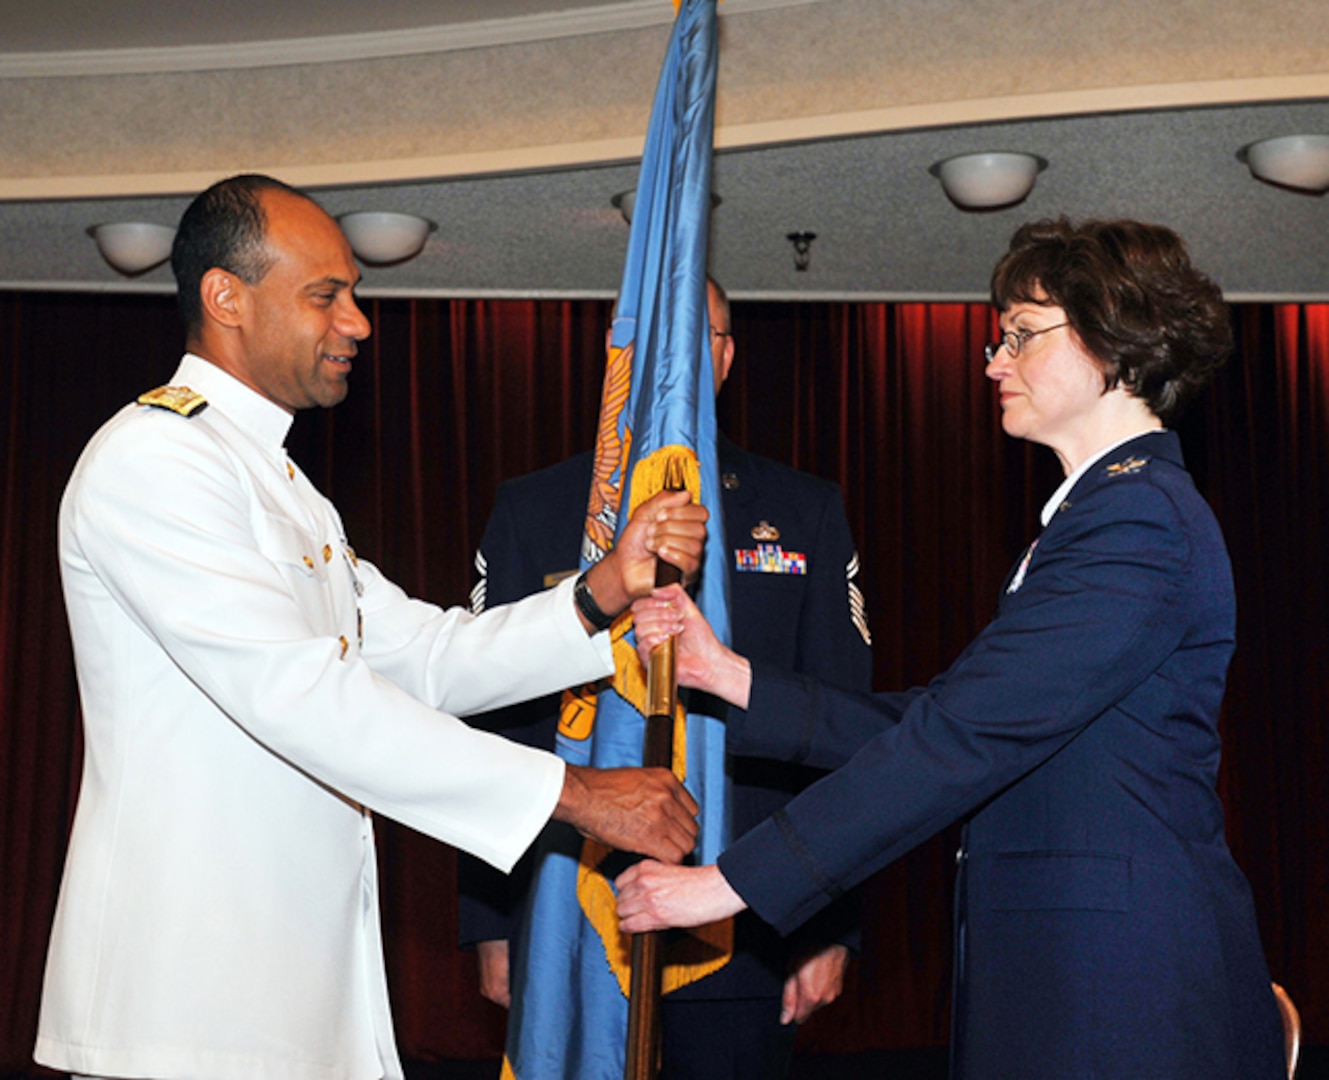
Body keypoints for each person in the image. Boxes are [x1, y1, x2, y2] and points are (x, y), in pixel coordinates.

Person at [35, 173, 708, 1080]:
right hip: (185, 1009)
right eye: (326, 296)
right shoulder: (155, 461)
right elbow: (303, 695)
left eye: (353, 294)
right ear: (225, 297)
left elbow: (423, 657)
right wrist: (576, 795)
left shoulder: (282, 486)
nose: (356, 322)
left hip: (295, 1003)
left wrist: (601, 592)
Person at [619, 219, 1287, 1079]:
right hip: (1073, 966)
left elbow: (961, 738)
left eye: (1019, 335)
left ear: (1113, 337)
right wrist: (729, 676)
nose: (991, 362)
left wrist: (728, 886)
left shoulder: (1137, 520)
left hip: (1116, 984)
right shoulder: (1099, 519)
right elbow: (947, 718)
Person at [458, 278, 872, 1078]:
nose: (681, 362)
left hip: (750, 913)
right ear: (623, 362)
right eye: (658, 344)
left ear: (724, 358)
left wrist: (829, 922)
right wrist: (490, 922)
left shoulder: (802, 510)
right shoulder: (534, 508)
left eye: (702, 341)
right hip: (565, 911)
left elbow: (840, 728)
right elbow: (493, 722)